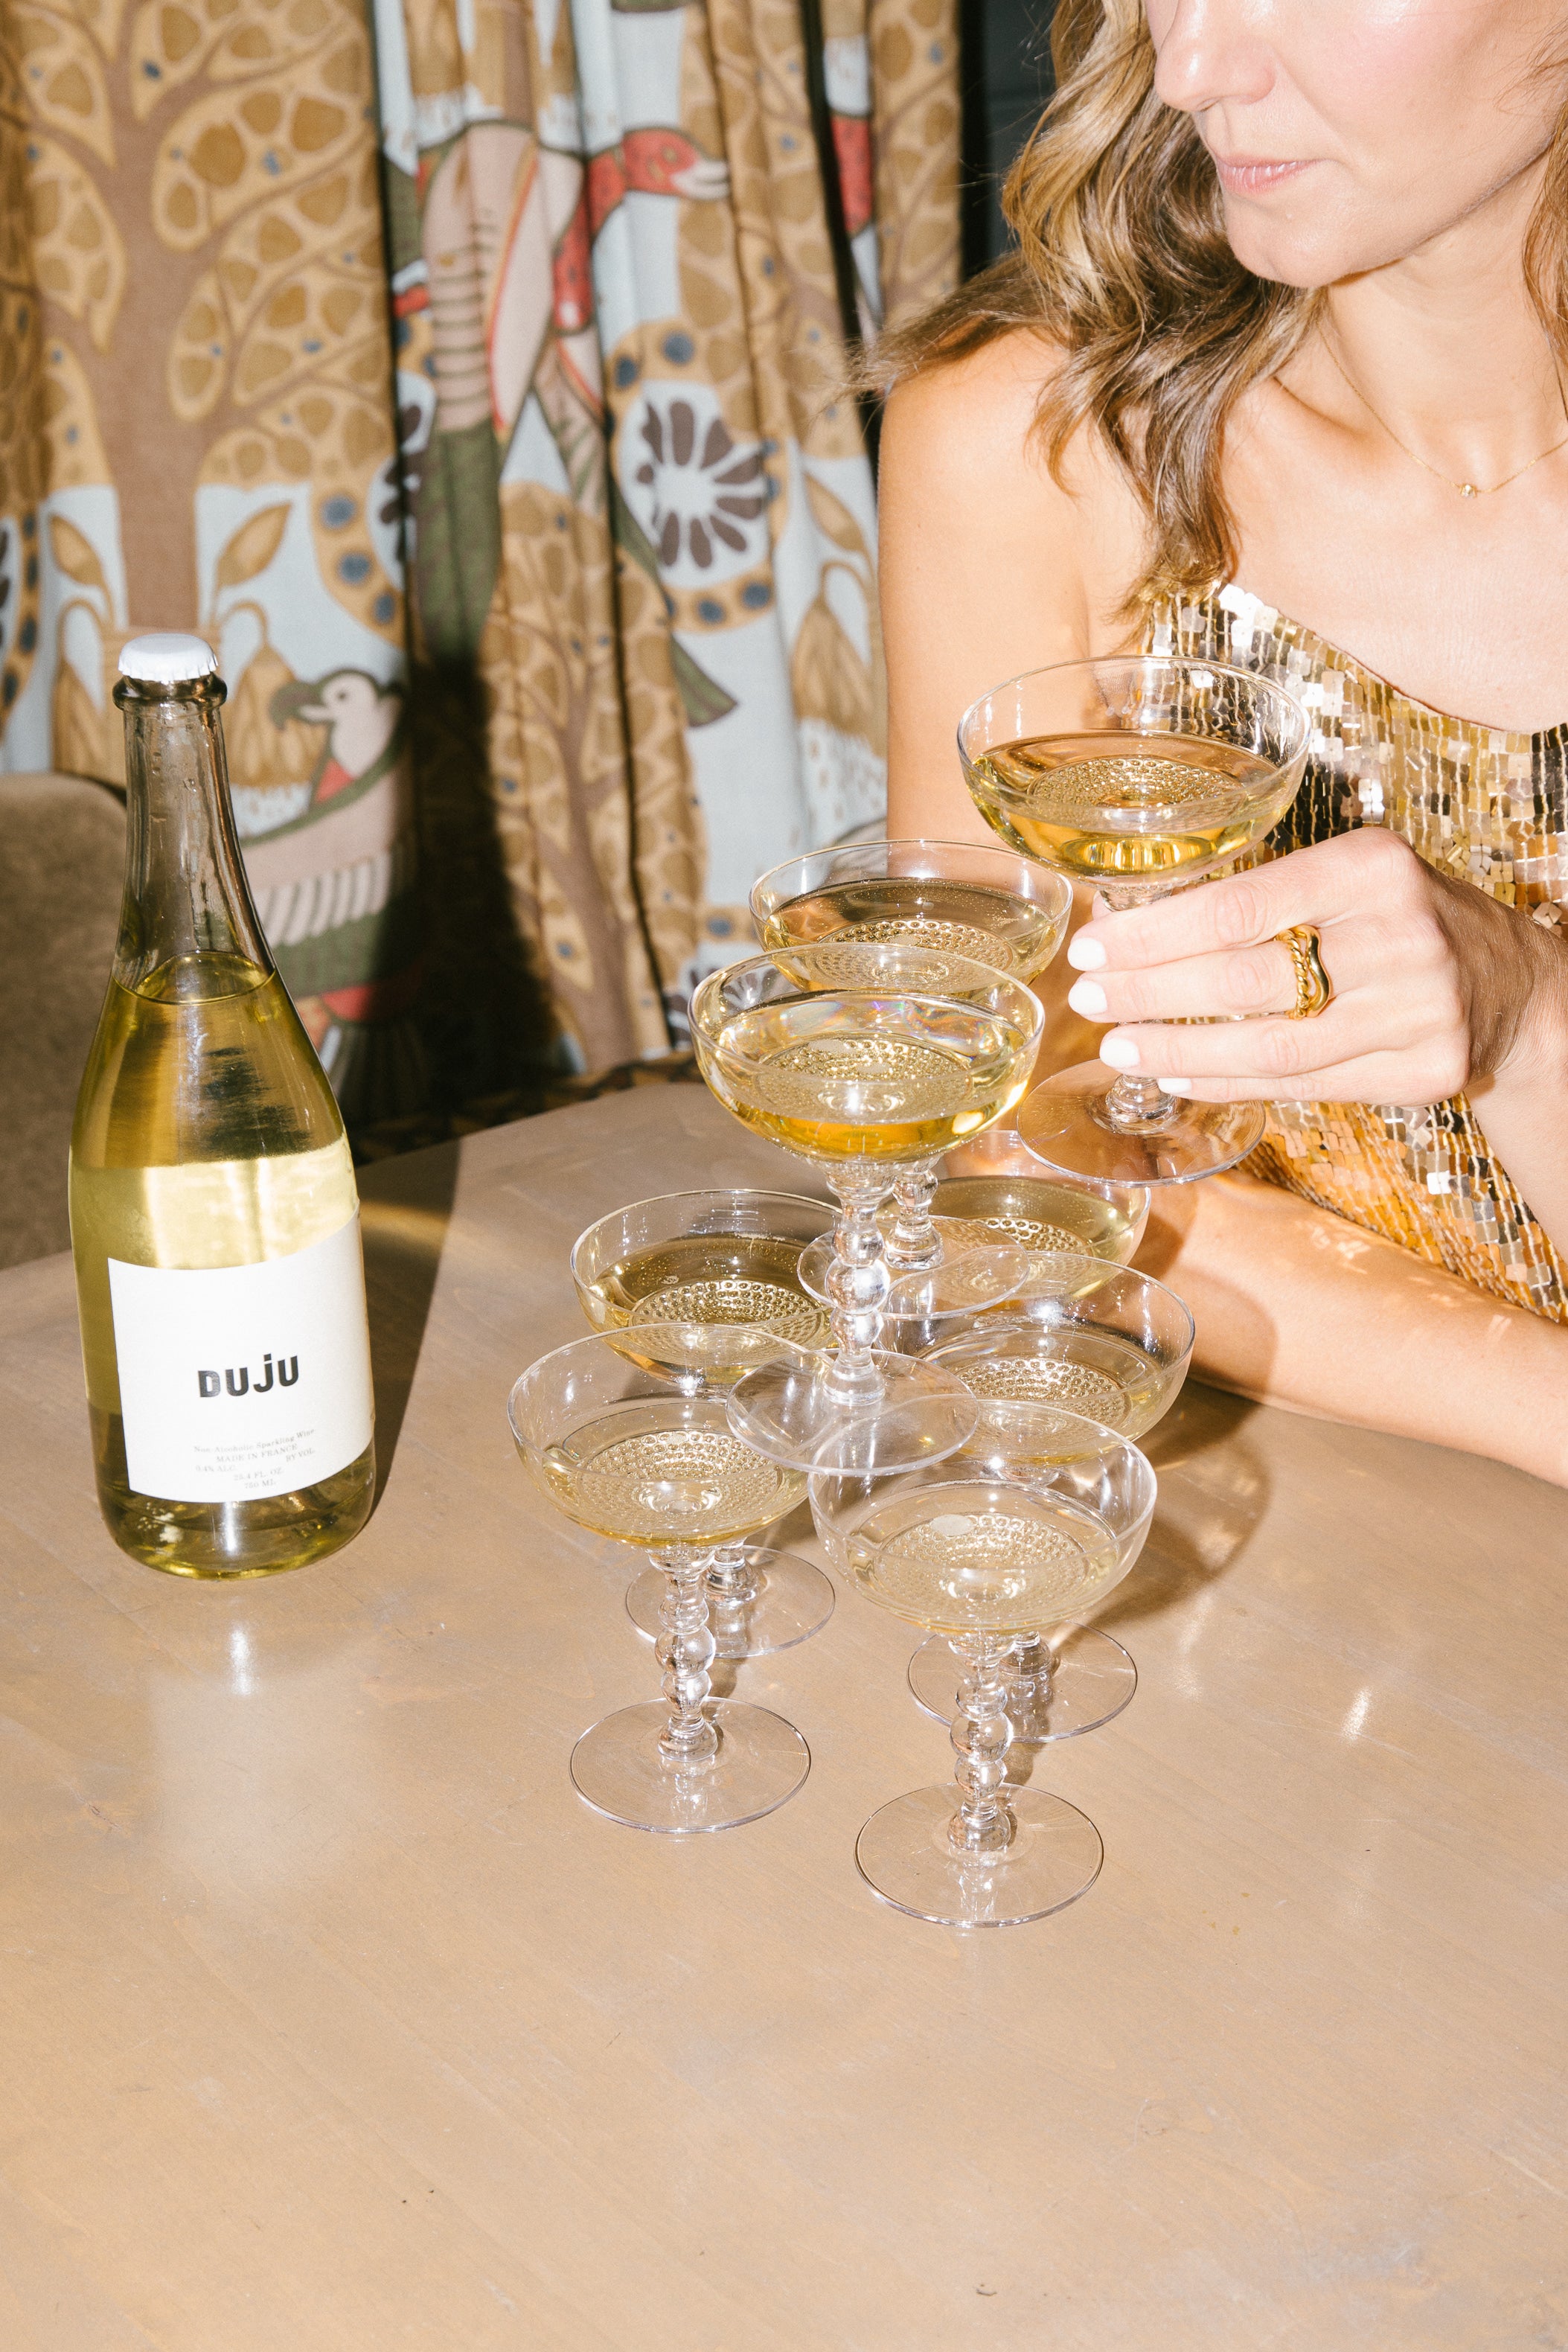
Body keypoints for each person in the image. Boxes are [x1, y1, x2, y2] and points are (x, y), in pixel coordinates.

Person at [875, 0, 1568, 1486]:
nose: (1190, 67)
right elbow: (1007, 1154)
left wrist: (1528, 1020)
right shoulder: (1047, 451)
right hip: (1322, 1515)